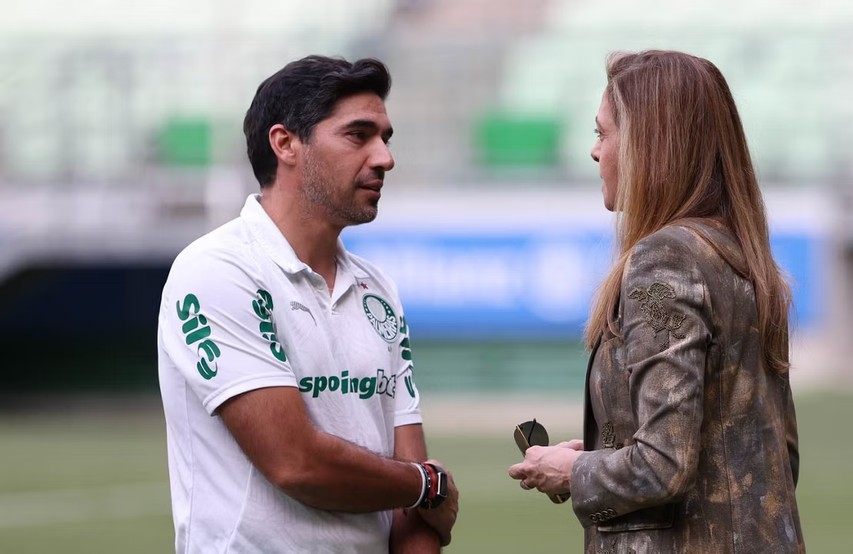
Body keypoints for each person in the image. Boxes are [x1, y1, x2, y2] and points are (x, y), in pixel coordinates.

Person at [157, 55, 458, 553]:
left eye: (385, 137)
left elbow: (414, 496)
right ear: (285, 143)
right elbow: (296, 463)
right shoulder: (217, 270)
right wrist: (428, 485)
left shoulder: (377, 288)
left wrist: (420, 489)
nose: (385, 158)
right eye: (358, 135)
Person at [508, 49, 805, 553]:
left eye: (602, 133)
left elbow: (664, 464)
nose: (594, 152)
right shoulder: (739, 256)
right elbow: (770, 457)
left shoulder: (664, 259)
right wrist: (606, 451)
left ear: (649, 146)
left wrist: (573, 471)